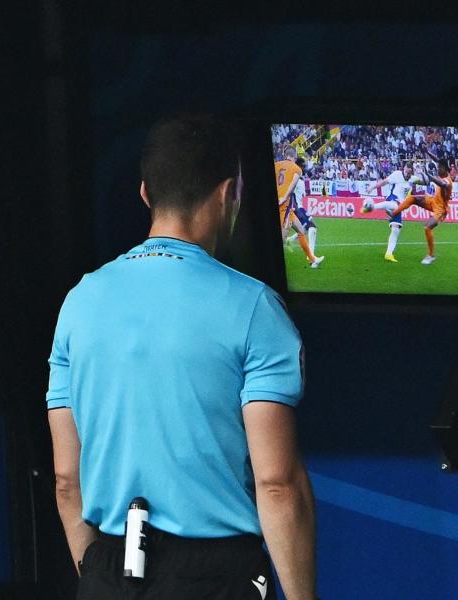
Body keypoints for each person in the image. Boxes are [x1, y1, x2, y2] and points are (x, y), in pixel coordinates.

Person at [46, 114, 317, 600]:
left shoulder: (79, 301)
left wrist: (98, 574)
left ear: (146, 193)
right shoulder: (255, 308)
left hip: (108, 570)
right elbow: (276, 484)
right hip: (215, 575)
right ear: (228, 193)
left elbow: (68, 480)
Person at [387, 153, 452, 265]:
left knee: (427, 227)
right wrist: (427, 152)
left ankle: (431, 255)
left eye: (439, 168)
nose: (438, 170)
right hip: (433, 200)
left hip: (441, 209)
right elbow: (439, 160)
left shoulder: (447, 181)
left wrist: (429, 176)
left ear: (444, 169)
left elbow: (442, 184)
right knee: (412, 198)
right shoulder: (445, 169)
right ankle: (394, 213)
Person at [276, 146, 324, 268]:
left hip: (289, 208)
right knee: (282, 237)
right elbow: (292, 184)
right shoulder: (297, 169)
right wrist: (284, 197)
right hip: (284, 206)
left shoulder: (276, 165)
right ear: (295, 156)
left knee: (301, 231)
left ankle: (313, 259)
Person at [360, 163, 416, 262]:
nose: (407, 174)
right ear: (404, 169)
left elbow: (423, 183)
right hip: (393, 199)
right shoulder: (397, 174)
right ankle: (371, 207)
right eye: (406, 171)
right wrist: (372, 187)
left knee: (395, 230)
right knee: (393, 205)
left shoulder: (412, 179)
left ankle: (388, 254)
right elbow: (384, 182)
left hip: (400, 206)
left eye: (409, 173)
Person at [285, 158, 318, 255]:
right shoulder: (294, 178)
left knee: (305, 228)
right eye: (304, 166)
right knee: (312, 227)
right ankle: (312, 257)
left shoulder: (300, 179)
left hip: (300, 207)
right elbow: (291, 194)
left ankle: (290, 240)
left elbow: (301, 194)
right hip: (297, 208)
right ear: (299, 167)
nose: (305, 168)